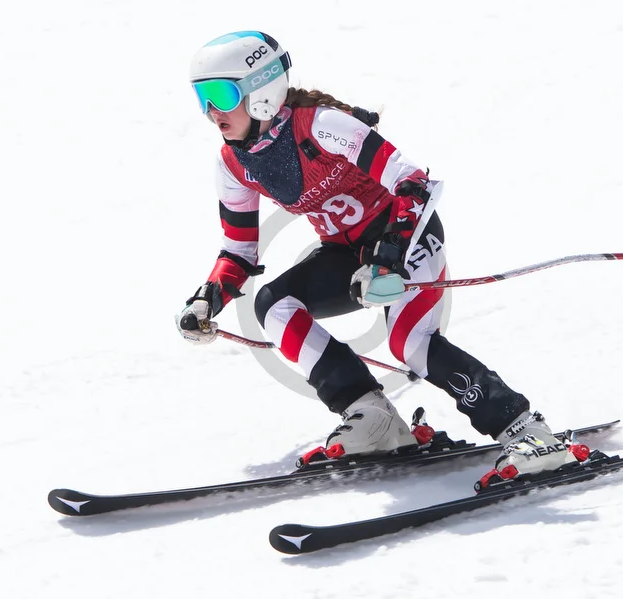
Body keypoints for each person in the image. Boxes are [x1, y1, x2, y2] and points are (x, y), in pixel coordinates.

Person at [176, 30, 579, 480]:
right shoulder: (233, 163)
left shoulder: (322, 124)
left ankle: (527, 431)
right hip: (345, 253)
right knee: (274, 306)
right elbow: (238, 248)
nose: (211, 111)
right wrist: (207, 299)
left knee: (412, 344)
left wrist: (387, 258)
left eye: (221, 95)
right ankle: (372, 416)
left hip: (406, 236)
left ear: (261, 92)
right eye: (201, 98)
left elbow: (412, 184)